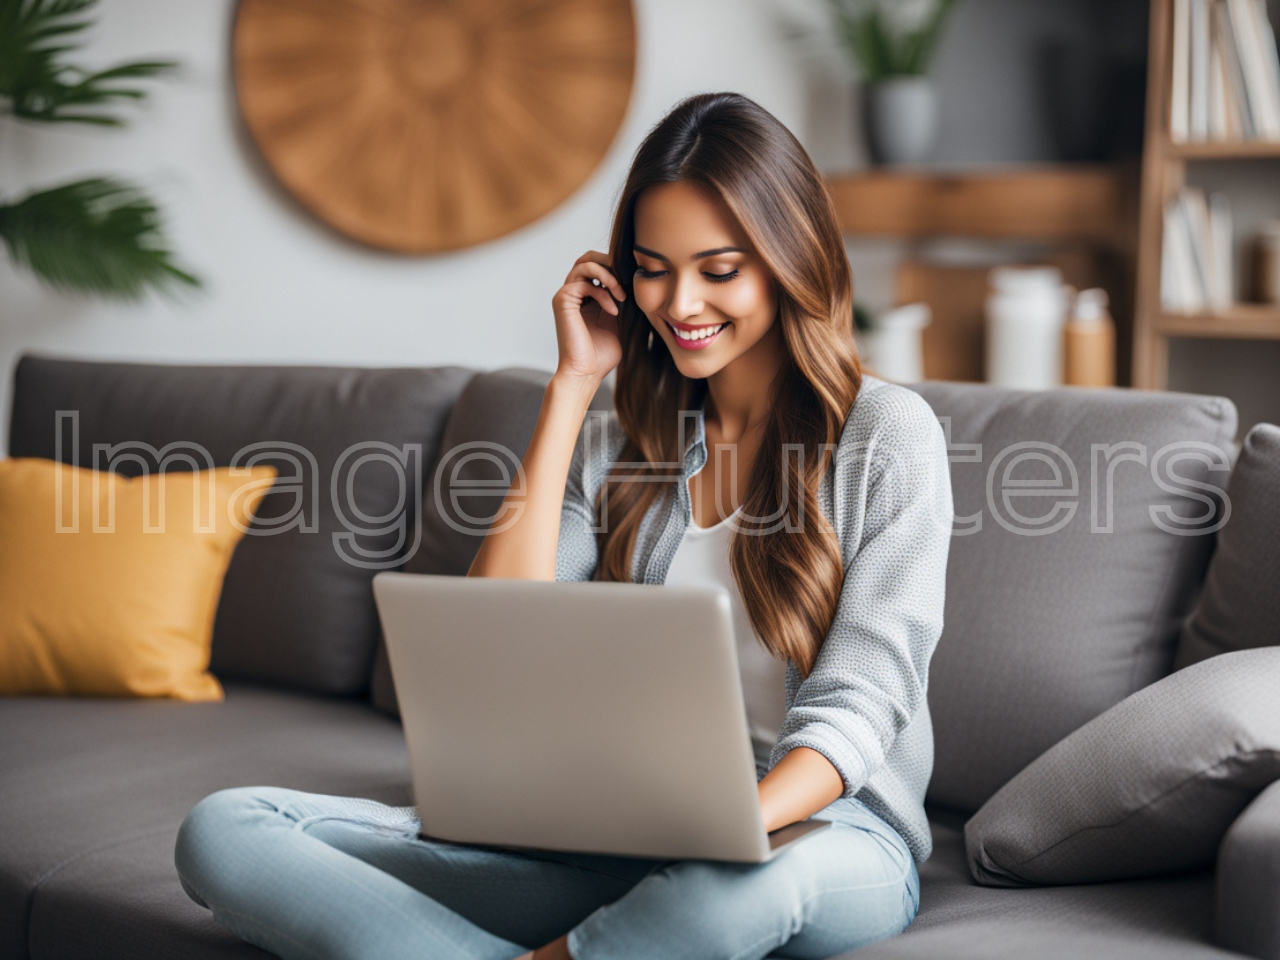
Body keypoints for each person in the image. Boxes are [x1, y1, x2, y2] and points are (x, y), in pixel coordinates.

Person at [174, 91, 953, 960]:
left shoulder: (889, 436)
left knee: (715, 894)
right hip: (616, 835)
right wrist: (572, 387)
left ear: (788, 260)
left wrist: (718, 832)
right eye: (653, 267)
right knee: (228, 829)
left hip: (822, 840)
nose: (680, 301)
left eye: (719, 269)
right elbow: (490, 640)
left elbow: (862, 702)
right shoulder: (620, 441)